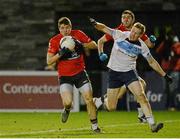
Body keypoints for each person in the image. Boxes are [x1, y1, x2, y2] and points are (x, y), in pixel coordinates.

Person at [89, 18, 173, 132]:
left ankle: (152, 124)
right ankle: (98, 101)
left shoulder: (142, 46)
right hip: (114, 73)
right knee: (111, 107)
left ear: (140, 35)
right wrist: (95, 23)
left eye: (137, 34)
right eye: (133, 31)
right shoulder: (120, 34)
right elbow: (104, 28)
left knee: (141, 96)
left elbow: (152, 62)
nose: (133, 34)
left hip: (129, 73)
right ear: (131, 29)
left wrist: (164, 75)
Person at [93, 10, 156, 123]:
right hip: (118, 68)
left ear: (133, 20)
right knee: (120, 95)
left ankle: (141, 115)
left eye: (128, 17)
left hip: (130, 68)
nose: (125, 19)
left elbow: (149, 45)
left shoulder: (138, 30)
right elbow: (100, 41)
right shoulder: (119, 31)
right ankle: (101, 101)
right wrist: (101, 53)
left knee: (141, 86)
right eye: (123, 17)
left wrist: (152, 41)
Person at [46, 17, 100, 132]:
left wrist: (81, 45)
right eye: (62, 28)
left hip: (80, 73)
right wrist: (60, 54)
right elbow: (49, 61)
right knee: (68, 102)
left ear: (71, 27)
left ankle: (95, 127)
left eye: (67, 28)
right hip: (65, 77)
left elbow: (94, 45)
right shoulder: (54, 41)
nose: (65, 30)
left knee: (89, 99)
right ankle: (67, 109)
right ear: (59, 28)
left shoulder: (78, 34)